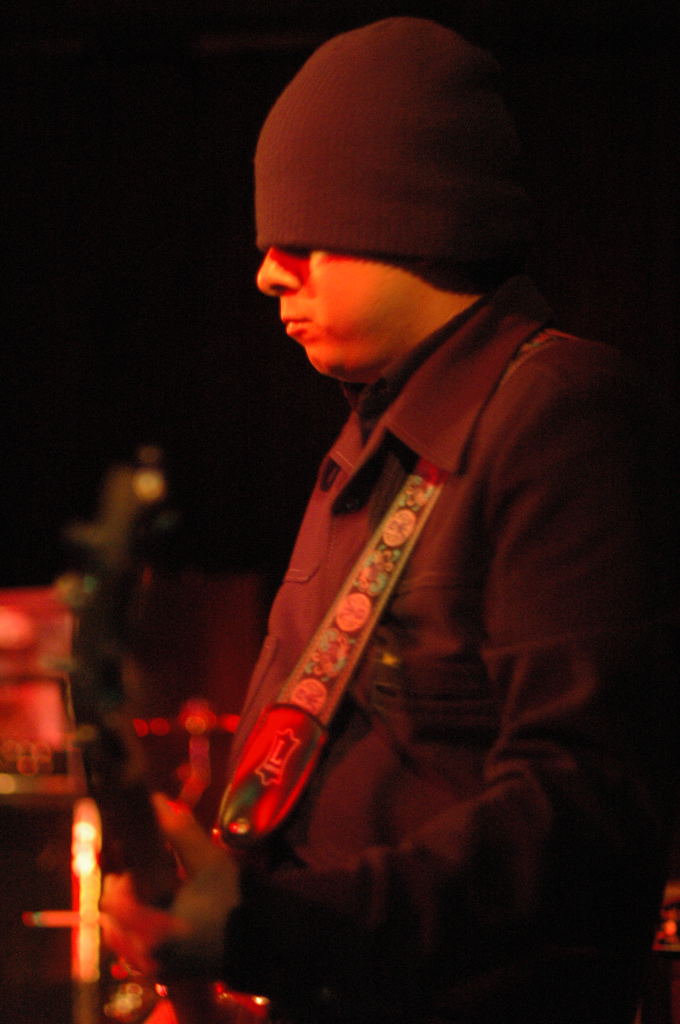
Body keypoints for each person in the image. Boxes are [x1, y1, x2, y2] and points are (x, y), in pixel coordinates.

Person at [101, 17, 679, 1024]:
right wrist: (226, 962)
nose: (268, 272)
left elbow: (584, 811)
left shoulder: (560, 413)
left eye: (303, 237)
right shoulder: (364, 449)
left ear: (412, 219)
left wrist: (271, 930)